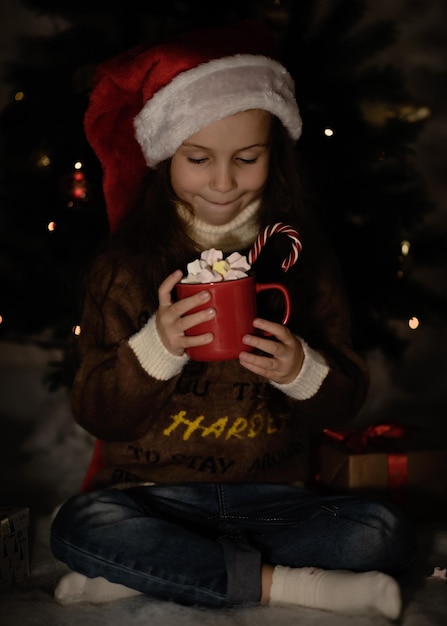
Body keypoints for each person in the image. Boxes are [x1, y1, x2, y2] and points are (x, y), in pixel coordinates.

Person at [50, 19, 417, 619]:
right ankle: (294, 585)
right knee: (79, 524)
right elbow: (97, 412)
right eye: (198, 159)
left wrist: (302, 370)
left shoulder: (304, 262)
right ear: (166, 156)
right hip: (153, 498)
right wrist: (156, 348)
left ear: (275, 156)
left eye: (247, 159)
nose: (223, 183)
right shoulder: (125, 267)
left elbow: (345, 401)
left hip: (275, 499)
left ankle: (158, 571)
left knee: (380, 531)